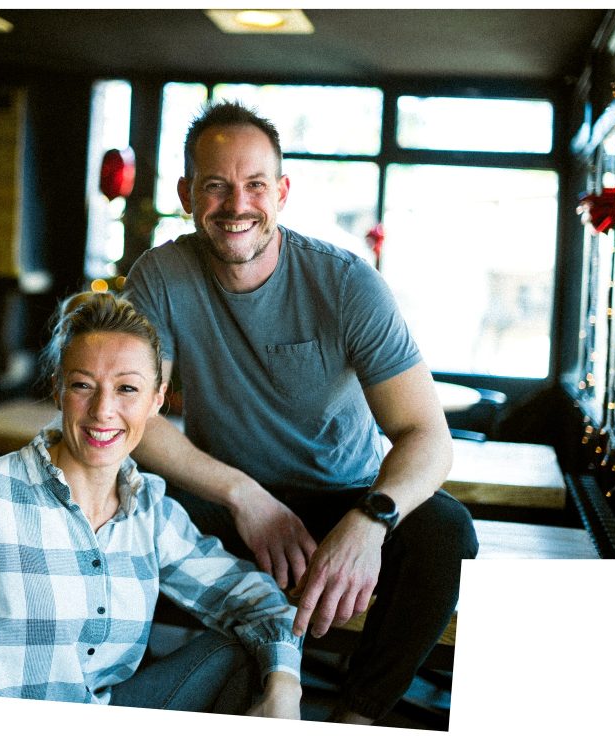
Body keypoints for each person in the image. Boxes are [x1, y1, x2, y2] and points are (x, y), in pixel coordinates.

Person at [123, 100, 479, 724]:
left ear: (282, 192)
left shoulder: (345, 284)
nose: (237, 205)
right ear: (186, 194)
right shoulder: (161, 274)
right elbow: (133, 413)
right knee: (122, 506)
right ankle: (150, 704)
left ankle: (356, 720)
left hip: (345, 495)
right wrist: (244, 495)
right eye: (215, 186)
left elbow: (427, 436)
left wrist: (370, 521)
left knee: (444, 531)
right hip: (226, 497)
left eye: (255, 184)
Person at [0, 291, 303, 718]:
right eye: (84, 385)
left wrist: (285, 686)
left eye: (127, 389)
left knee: (245, 653)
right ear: (59, 389)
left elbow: (258, 601)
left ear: (156, 401)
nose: (103, 411)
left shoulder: (151, 512)